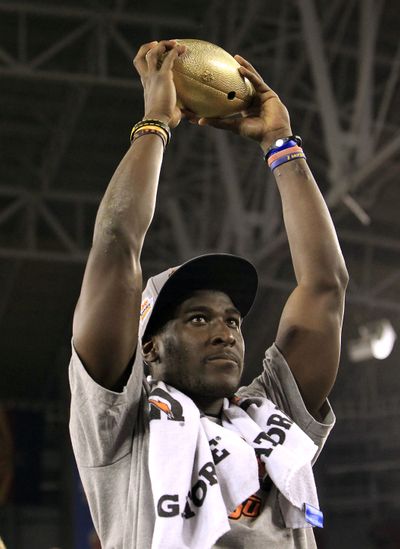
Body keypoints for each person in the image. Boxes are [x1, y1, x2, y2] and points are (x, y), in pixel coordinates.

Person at [69, 39, 348, 548]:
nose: (225, 332)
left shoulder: (270, 421)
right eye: (198, 319)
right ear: (148, 347)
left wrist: (281, 144)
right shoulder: (122, 427)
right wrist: (157, 121)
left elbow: (326, 287)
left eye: (233, 320)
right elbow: (115, 245)